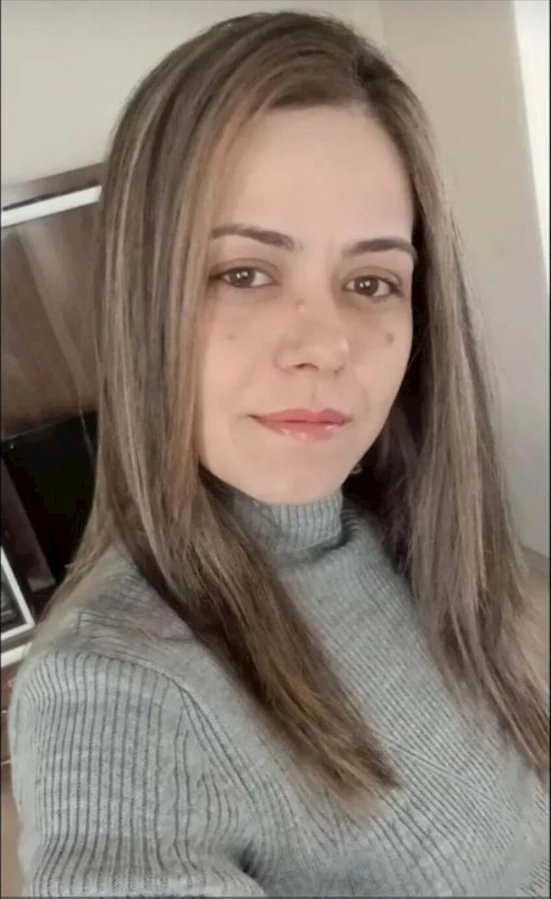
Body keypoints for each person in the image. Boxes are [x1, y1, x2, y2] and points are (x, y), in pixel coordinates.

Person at [8, 10, 549, 897]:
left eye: (370, 281)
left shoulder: (398, 530)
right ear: (147, 299)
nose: (325, 345)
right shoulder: (113, 695)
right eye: (245, 273)